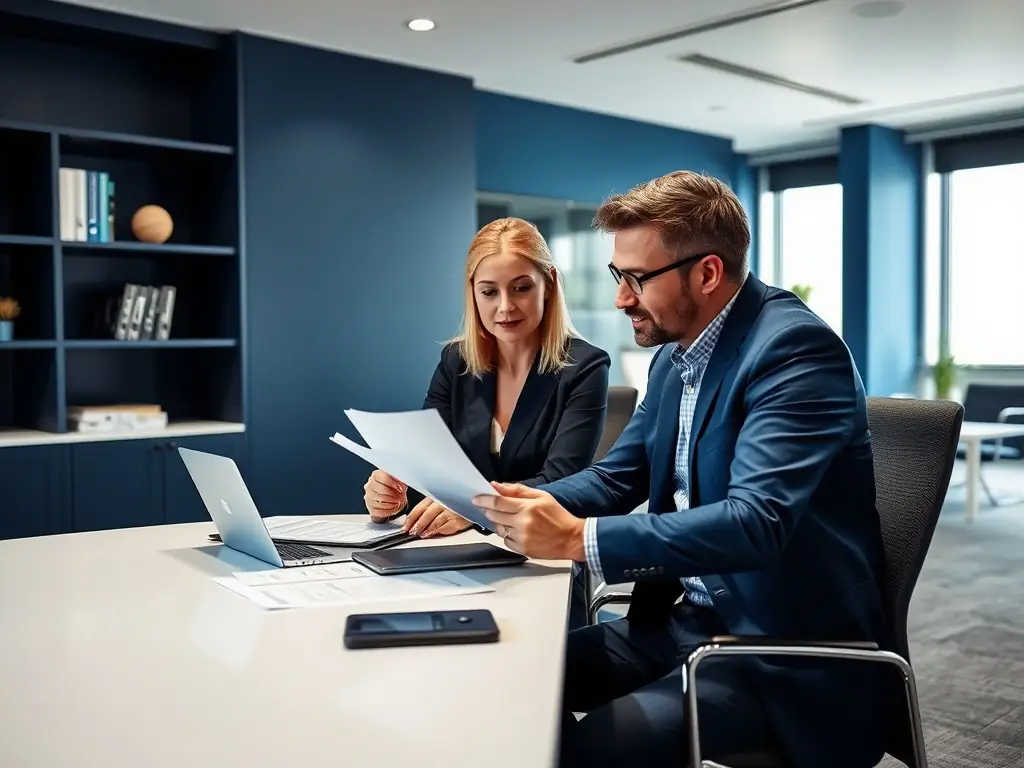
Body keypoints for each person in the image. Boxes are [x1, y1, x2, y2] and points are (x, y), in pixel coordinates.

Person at [471, 172, 896, 768]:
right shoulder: (677, 354)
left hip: (780, 652)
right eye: (619, 276)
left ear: (707, 273)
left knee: (597, 746)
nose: (621, 298)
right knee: (505, 682)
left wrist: (576, 539)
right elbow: (620, 476)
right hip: (683, 623)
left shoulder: (795, 351)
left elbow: (756, 523)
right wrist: (496, 503)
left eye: (636, 279)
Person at [362, 216, 611, 614]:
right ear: (472, 294)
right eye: (489, 292)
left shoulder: (584, 367)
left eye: (521, 288)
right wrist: (392, 492)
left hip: (540, 563)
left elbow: (560, 481)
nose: (505, 307)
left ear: (550, 283)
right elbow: (430, 466)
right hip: (453, 563)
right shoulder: (455, 361)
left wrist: (473, 509)